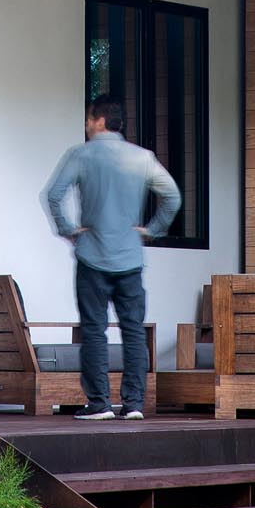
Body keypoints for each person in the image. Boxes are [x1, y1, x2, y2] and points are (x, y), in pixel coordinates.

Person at [42, 105, 181, 419]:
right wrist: (152, 230)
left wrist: (68, 230)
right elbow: (172, 196)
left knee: (94, 330)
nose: (87, 124)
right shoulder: (142, 158)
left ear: (99, 120)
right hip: (130, 258)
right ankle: (133, 405)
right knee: (133, 332)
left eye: (89, 118)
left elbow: (53, 195)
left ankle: (100, 404)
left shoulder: (81, 155)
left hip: (92, 256)